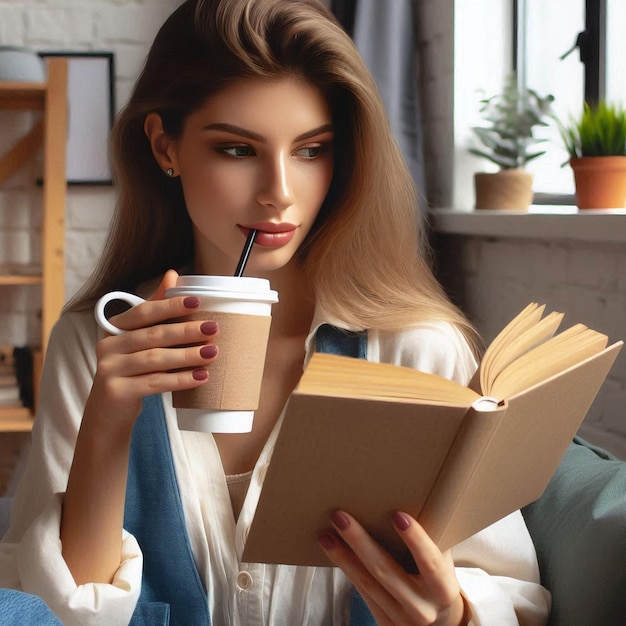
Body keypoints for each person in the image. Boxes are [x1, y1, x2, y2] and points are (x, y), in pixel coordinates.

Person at [0, 0, 551, 624]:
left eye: (311, 150)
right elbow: (43, 609)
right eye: (237, 150)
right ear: (165, 146)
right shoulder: (94, 343)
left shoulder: (417, 350)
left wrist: (453, 614)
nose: (280, 193)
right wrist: (108, 425)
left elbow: (510, 591)